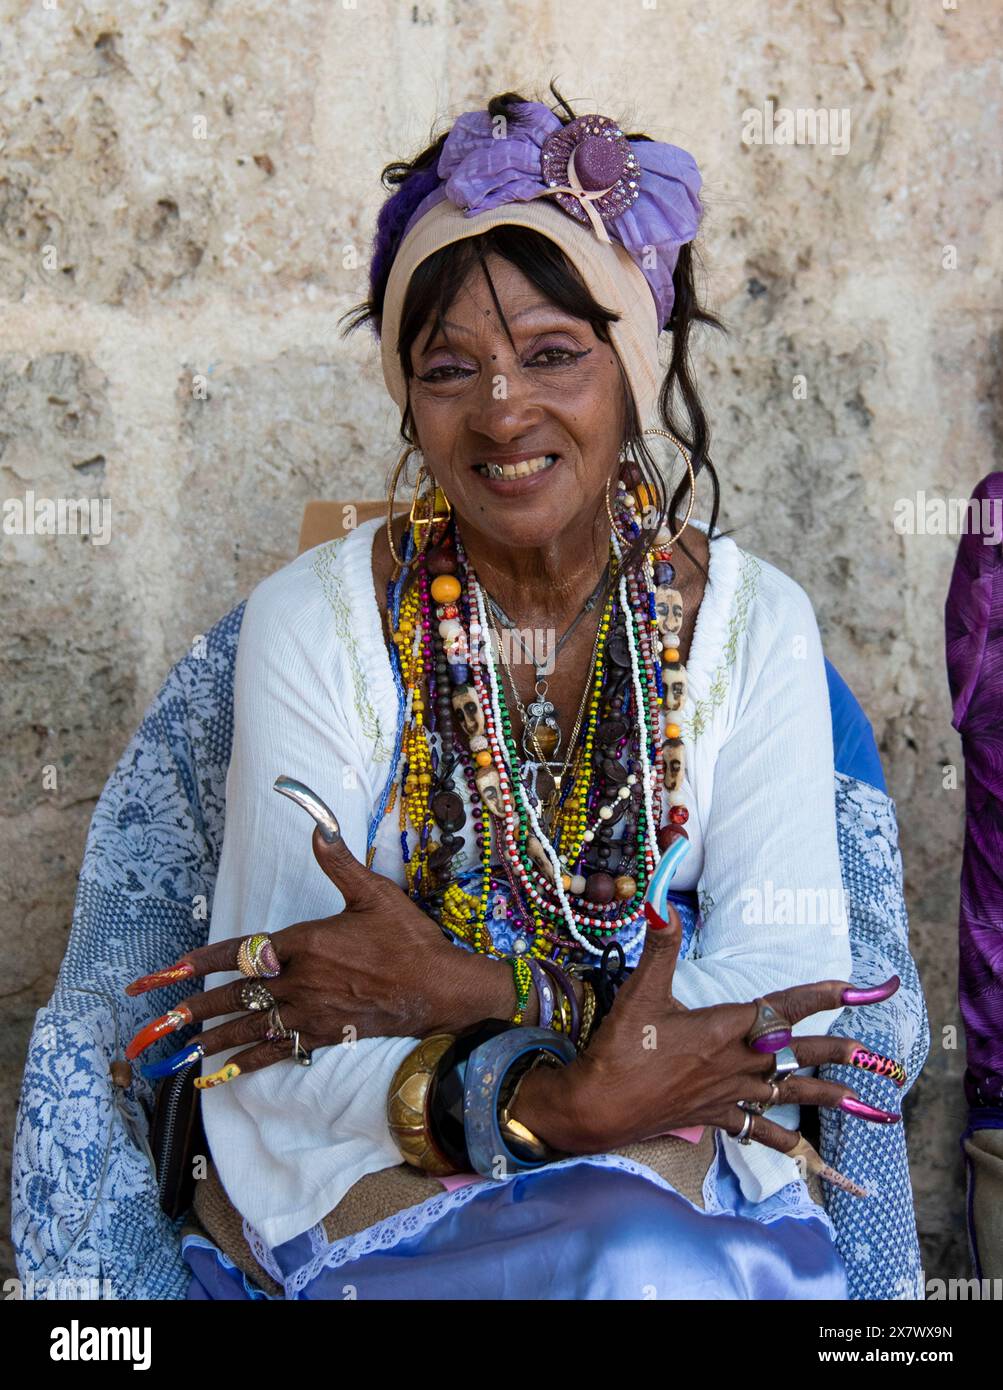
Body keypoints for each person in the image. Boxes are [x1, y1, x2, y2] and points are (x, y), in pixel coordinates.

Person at [30, 86, 913, 1302]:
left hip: (681, 1166)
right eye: (451, 367)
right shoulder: (314, 626)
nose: (503, 409)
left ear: (633, 373)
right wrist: (547, 1093)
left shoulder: (753, 626)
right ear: (405, 392)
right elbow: (278, 1028)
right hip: (376, 1169)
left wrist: (477, 988)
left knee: (644, 1262)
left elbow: (779, 1005)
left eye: (553, 354)